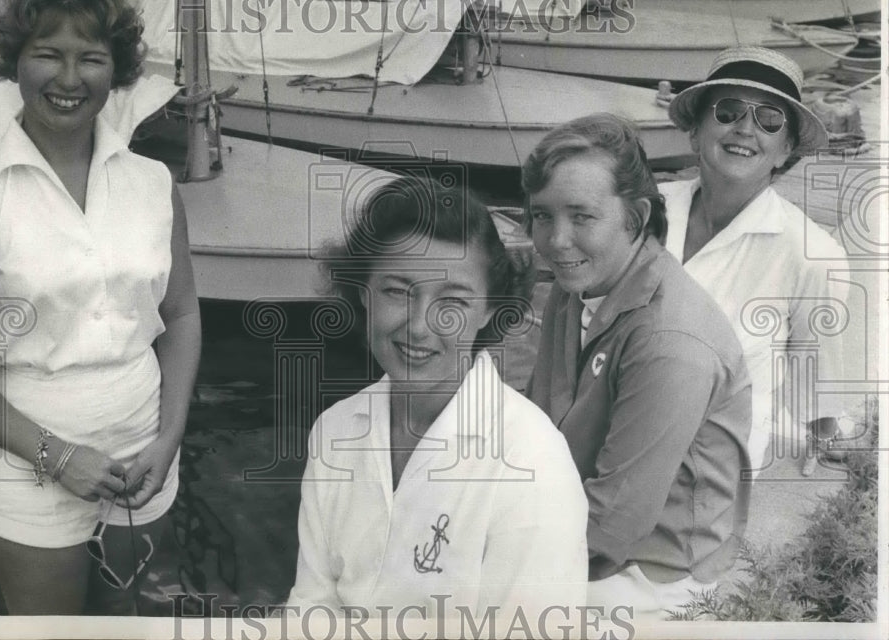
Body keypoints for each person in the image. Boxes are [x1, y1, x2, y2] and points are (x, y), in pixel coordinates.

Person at [0, 0, 201, 615]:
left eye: (91, 58)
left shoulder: (155, 184)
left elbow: (181, 315)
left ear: (118, 69)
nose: (69, 79)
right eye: (48, 54)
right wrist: (56, 455)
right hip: (27, 472)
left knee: (129, 623)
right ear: (15, 61)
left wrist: (170, 438)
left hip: (146, 462)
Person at [286, 174, 588, 629]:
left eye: (453, 300)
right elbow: (311, 607)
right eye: (397, 291)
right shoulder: (335, 429)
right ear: (362, 289)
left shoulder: (531, 461)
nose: (421, 326)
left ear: (489, 307)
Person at [522, 113, 751, 620]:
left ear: (636, 216)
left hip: (652, 579)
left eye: (582, 217)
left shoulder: (670, 342)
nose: (557, 241)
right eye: (543, 216)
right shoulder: (580, 282)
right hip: (579, 531)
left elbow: (611, 528)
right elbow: (536, 430)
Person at [660, 46, 850, 473]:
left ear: (784, 151)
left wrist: (824, 431)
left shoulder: (813, 254)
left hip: (710, 474)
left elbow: (815, 372)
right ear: (694, 132)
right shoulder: (646, 212)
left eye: (769, 119)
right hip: (611, 445)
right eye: (728, 111)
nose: (746, 128)